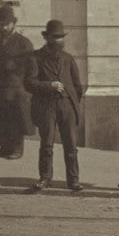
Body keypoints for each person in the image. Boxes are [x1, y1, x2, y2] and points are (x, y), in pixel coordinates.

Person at [25, 19, 87, 194]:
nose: (59, 40)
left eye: (61, 37)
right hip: (47, 106)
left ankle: (73, 180)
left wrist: (72, 101)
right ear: (47, 38)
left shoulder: (68, 59)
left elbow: (77, 85)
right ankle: (45, 178)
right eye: (55, 37)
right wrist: (49, 86)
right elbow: (28, 83)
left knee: (71, 145)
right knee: (47, 144)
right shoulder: (35, 58)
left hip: (66, 106)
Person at [0, 3, 34, 159]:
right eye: (1, 24)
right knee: (1, 119)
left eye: (7, 24)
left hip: (17, 87)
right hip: (1, 86)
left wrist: (15, 68)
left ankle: (17, 149)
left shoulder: (23, 42)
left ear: (14, 24)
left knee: (16, 120)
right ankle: (5, 147)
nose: (4, 27)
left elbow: (30, 66)